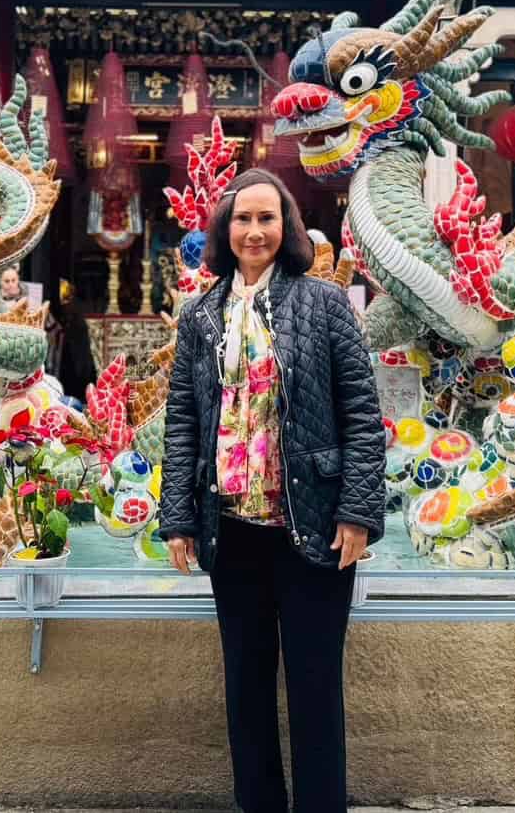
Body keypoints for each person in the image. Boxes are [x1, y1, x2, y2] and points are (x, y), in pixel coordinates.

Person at [159, 168, 386, 813]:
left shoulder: (324, 304)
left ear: (286, 226)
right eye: (243, 219)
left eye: (267, 218)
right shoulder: (200, 315)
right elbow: (183, 421)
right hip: (231, 529)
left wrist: (357, 512)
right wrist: (178, 517)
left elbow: (362, 414)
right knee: (246, 690)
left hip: (311, 526)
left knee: (316, 691)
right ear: (224, 229)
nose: (254, 231)